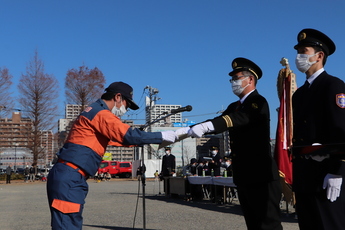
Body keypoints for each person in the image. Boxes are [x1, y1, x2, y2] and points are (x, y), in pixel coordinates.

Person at [46, 81, 177, 230]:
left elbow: (121, 141)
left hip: (69, 175)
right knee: (68, 226)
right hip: (71, 176)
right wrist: (165, 135)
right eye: (126, 105)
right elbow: (128, 136)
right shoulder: (101, 113)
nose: (125, 110)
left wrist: (144, 140)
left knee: (68, 223)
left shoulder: (93, 112)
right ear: (118, 97)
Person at [187, 58, 282, 230]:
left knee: (268, 224)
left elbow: (238, 119)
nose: (233, 83)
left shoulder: (258, 102)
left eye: (237, 78)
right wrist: (188, 130)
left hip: (261, 175)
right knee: (252, 223)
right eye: (232, 79)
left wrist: (206, 126)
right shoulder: (234, 106)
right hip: (244, 175)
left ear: (250, 79)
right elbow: (218, 121)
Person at [291, 28, 345, 230]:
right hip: (305, 176)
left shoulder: (333, 85)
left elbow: (341, 130)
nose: (299, 57)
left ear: (319, 55)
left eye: (303, 51)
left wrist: (337, 171)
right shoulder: (300, 94)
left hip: (327, 175)